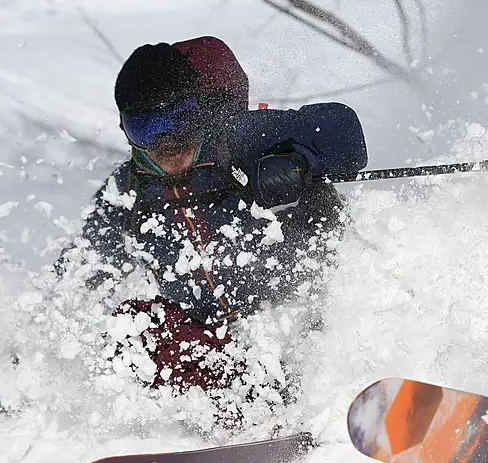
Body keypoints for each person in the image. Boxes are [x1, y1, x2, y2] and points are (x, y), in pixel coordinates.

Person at [56, 36, 367, 396]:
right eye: (147, 129)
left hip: (298, 318)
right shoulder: (129, 190)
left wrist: (300, 161)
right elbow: (76, 275)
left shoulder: (241, 139)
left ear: (200, 110)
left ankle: (319, 393)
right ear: (125, 130)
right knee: (135, 325)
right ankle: (241, 418)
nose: (166, 143)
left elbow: (345, 132)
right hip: (220, 349)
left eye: (179, 122)